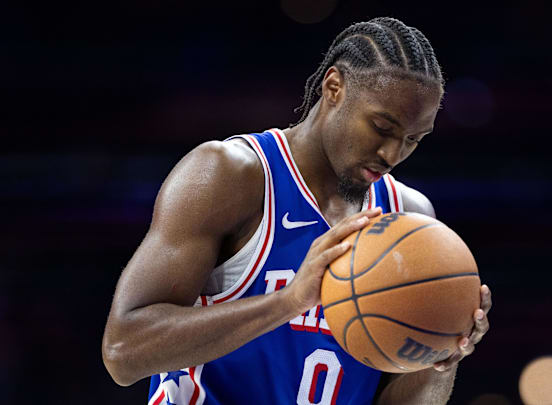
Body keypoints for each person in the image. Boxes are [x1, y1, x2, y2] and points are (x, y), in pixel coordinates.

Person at [102, 16, 492, 405]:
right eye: (381, 127)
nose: (393, 154)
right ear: (334, 87)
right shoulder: (232, 176)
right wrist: (288, 302)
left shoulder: (407, 215)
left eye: (413, 139)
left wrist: (439, 346)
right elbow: (124, 352)